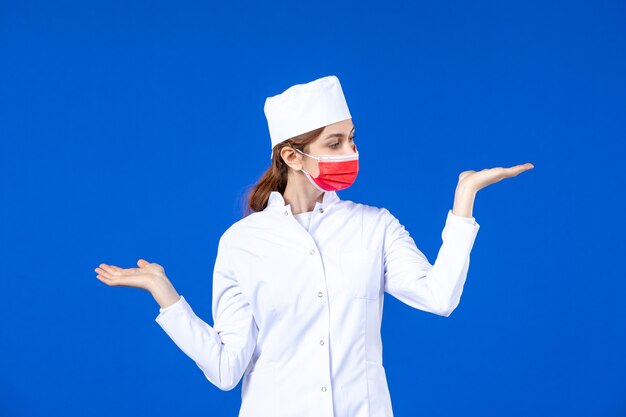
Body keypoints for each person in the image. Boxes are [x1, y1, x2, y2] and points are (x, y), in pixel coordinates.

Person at [95, 75, 534, 417]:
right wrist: (166, 296)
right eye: (335, 143)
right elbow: (227, 370)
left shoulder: (373, 226)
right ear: (292, 156)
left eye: (352, 138)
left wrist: (463, 202)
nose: (351, 151)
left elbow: (440, 297)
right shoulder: (242, 243)